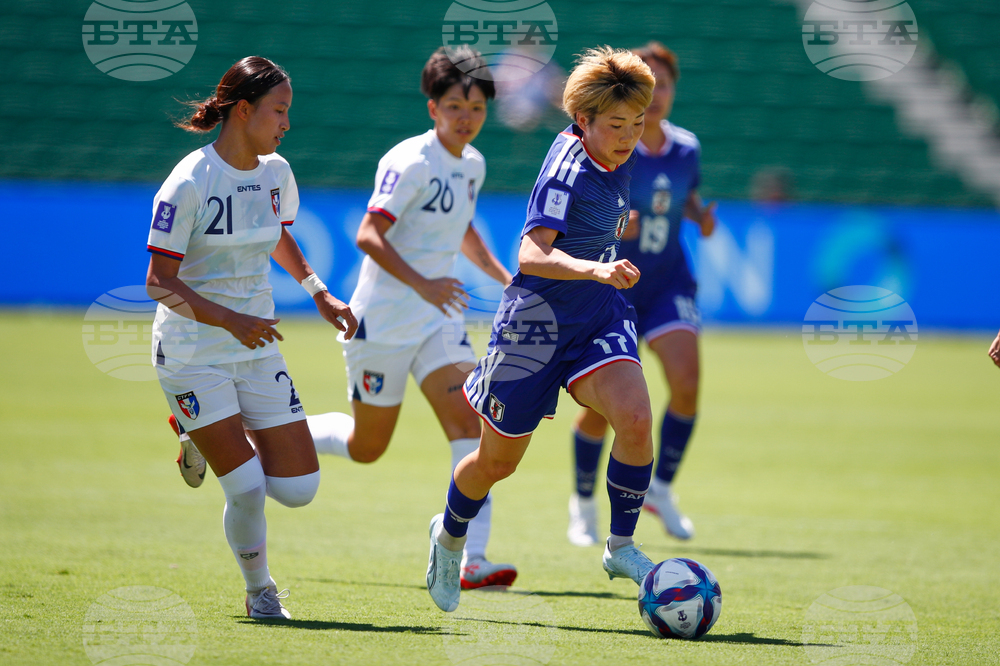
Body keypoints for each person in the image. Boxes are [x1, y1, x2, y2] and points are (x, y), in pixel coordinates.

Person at [425, 46, 658, 613]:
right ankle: (449, 536)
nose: (628, 136)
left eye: (637, 123)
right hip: (534, 327)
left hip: (597, 315)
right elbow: (531, 254)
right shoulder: (567, 171)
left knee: (633, 417)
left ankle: (621, 545)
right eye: (616, 126)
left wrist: (602, 262)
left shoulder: (615, 150)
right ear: (582, 121)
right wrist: (597, 266)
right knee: (497, 464)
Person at [146, 56, 357, 620]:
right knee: (245, 488)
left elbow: (280, 235)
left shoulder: (276, 171)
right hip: (192, 353)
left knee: (299, 489)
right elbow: (157, 283)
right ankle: (260, 590)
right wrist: (230, 321)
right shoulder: (189, 181)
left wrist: (318, 291)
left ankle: (207, 433)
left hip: (255, 345)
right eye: (279, 110)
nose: (287, 123)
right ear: (243, 111)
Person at [304, 47, 518, 590]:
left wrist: (504, 278)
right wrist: (423, 283)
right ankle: (266, 438)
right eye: (454, 106)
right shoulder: (411, 161)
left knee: (471, 424)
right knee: (367, 447)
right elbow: (368, 235)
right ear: (432, 108)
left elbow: (462, 230)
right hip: (383, 322)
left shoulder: (473, 164)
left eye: (475, 107)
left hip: (436, 322)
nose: (465, 117)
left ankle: (468, 556)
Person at [567, 41, 717, 547]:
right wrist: (613, 226)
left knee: (688, 383)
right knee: (604, 409)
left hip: (669, 281)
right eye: (649, 85)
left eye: (665, 85)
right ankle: (584, 502)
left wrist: (700, 214)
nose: (656, 97)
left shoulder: (686, 149)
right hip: (618, 286)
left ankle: (662, 491)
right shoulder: (611, 144)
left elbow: (685, 196)